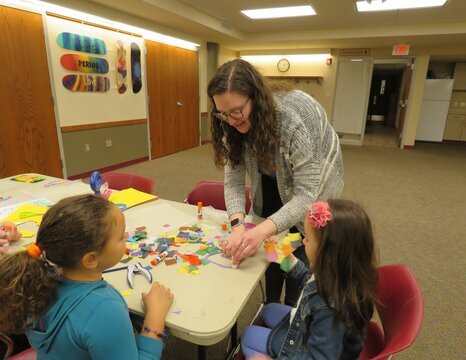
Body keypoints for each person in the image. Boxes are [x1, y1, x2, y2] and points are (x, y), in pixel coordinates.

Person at [207, 58, 344, 305]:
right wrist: (240, 227)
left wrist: (258, 231)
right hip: (271, 180)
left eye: (237, 111)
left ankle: (292, 309)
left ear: (256, 98)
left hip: (314, 185)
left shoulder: (295, 118)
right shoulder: (230, 121)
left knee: (299, 257)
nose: (231, 120)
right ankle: (270, 303)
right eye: (223, 114)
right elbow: (234, 183)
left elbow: (305, 196)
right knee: (269, 252)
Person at [0, 194, 173, 359]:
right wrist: (155, 317)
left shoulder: (35, 280)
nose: (127, 236)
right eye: (121, 236)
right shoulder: (105, 311)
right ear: (91, 259)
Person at [241, 199, 378, 359]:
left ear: (328, 252)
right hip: (306, 327)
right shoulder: (340, 273)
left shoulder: (330, 310)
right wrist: (289, 260)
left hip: (303, 350)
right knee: (269, 309)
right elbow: (310, 283)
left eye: (308, 239)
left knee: (248, 336)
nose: (304, 240)